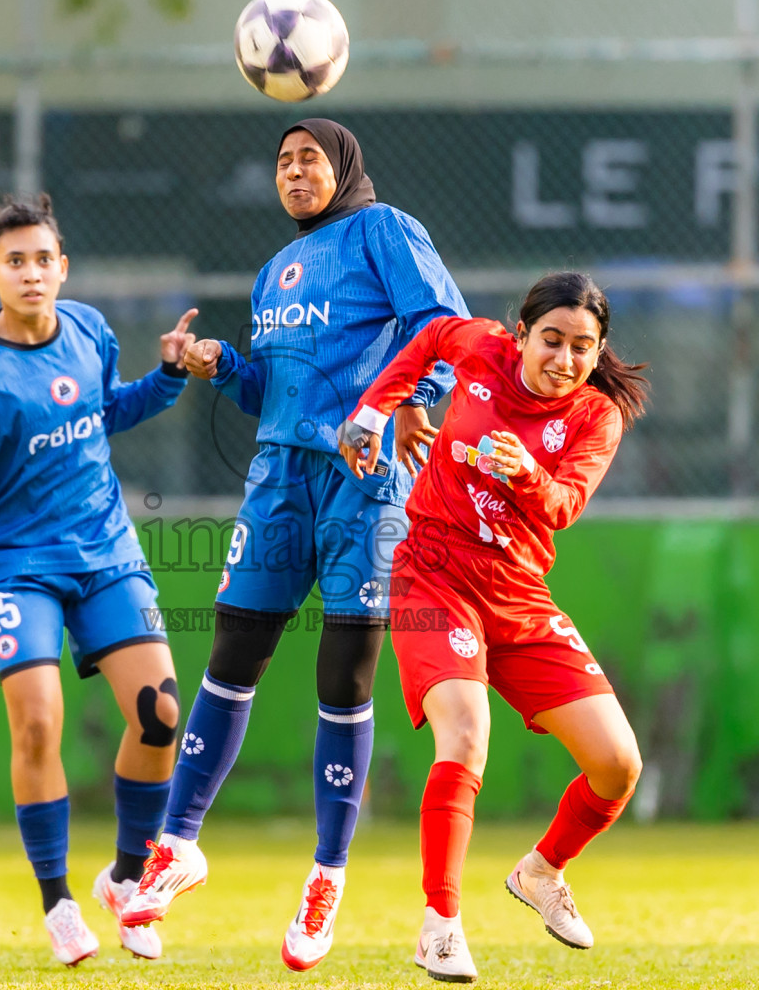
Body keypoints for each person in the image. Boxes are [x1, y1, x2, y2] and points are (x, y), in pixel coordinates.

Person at [120, 118, 470, 971]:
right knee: (231, 654)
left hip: (364, 476)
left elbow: (446, 328)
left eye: (310, 157)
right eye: (282, 162)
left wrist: (410, 398)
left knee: (343, 677)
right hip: (279, 478)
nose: (294, 172)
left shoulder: (384, 231)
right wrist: (222, 366)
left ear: (343, 166)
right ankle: (178, 845)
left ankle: (326, 876)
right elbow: (271, 391)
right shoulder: (274, 269)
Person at [0, 195, 196, 966]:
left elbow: (106, 411)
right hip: (15, 565)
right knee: (37, 724)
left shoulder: (89, 330)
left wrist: (166, 376)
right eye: (14, 261)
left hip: (105, 552)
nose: (31, 273)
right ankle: (58, 903)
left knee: (160, 714)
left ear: (63, 268)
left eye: (42, 259)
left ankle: (126, 881)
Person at [338, 271, 649, 982]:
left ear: (598, 351)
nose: (564, 359)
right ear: (522, 335)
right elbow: (426, 339)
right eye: (551, 340)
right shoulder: (480, 348)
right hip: (434, 572)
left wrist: (527, 473)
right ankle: (440, 926)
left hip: (518, 594)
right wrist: (379, 409)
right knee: (466, 734)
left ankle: (542, 871)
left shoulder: (596, 416)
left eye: (582, 347)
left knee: (617, 765)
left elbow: (564, 506)